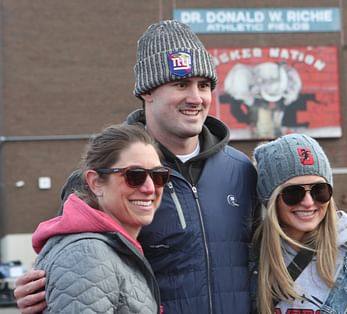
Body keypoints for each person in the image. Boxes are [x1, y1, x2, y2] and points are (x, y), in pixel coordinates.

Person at [15, 20, 257, 314]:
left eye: (203, 85)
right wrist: (37, 287)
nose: (196, 98)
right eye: (181, 84)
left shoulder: (241, 171)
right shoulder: (104, 178)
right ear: (147, 92)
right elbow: (73, 262)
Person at [251, 133, 347, 314]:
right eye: (293, 193)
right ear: (271, 200)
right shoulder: (250, 260)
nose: (308, 202)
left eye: (319, 190)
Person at [31, 124, 166, 313]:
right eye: (135, 175)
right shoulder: (88, 256)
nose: (150, 187)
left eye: (159, 175)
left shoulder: (111, 250)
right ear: (95, 183)